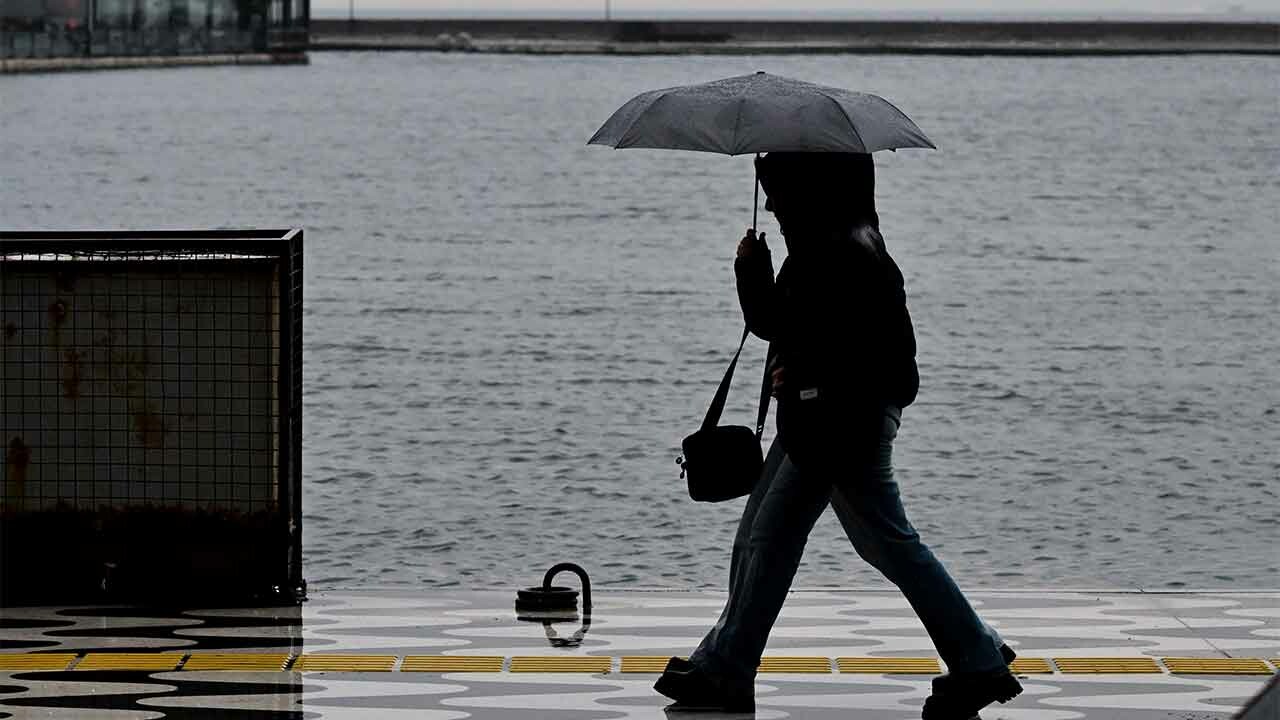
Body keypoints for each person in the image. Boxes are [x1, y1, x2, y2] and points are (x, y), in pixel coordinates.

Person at [653, 152, 1023, 720]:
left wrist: (794, 353)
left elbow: (840, 341)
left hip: (840, 424)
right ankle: (979, 646)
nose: (771, 202)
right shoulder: (833, 240)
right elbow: (793, 324)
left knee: (782, 540)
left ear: (809, 190)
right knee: (795, 536)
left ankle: (728, 670)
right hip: (826, 418)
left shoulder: (837, 249)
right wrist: (763, 283)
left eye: (777, 188)